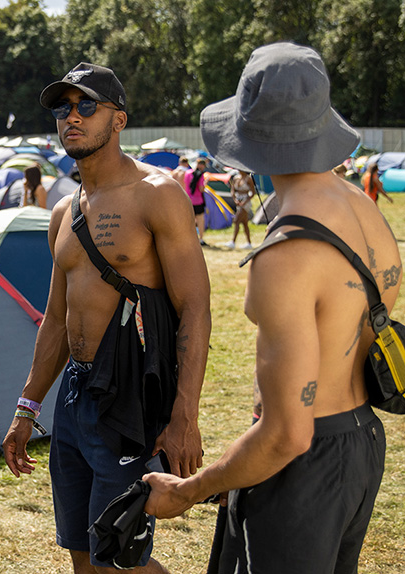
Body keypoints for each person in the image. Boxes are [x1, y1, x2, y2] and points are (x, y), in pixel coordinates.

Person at [142, 42, 400, 574]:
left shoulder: (286, 254)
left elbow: (288, 432)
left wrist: (190, 489)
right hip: (361, 441)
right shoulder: (362, 208)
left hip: (303, 464)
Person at [2, 62, 211, 574]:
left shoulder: (156, 194)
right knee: (80, 554)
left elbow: (196, 308)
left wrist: (184, 414)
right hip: (74, 399)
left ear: (117, 119)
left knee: (121, 560)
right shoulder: (62, 212)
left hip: (129, 396)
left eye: (86, 106)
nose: (72, 117)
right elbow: (55, 319)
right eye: (62, 108)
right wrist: (28, 406)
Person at [224, 170, 255, 249]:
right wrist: (235, 199)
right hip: (238, 200)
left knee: (237, 220)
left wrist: (245, 201)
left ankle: (233, 241)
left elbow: (253, 192)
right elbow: (233, 190)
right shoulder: (236, 178)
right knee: (245, 223)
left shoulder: (248, 179)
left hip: (245, 201)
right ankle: (249, 243)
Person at [183, 158, 208, 245]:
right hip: (198, 201)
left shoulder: (187, 173)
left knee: (190, 221)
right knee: (200, 220)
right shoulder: (201, 175)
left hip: (188, 199)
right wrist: (205, 184)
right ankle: (200, 239)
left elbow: (185, 185)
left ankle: (189, 239)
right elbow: (201, 189)